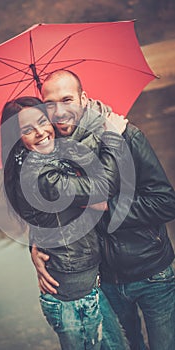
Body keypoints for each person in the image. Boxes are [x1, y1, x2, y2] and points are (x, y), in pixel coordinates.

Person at [31, 70, 175, 350]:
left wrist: (105, 209)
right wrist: (35, 247)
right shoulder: (51, 153)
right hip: (103, 281)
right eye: (50, 104)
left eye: (67, 99)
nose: (59, 112)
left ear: (83, 98)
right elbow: (49, 213)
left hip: (152, 272)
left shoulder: (125, 134)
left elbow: (165, 202)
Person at [0, 96, 130, 350]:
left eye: (42, 121)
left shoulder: (42, 161)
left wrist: (34, 247)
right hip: (74, 298)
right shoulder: (41, 175)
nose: (41, 132)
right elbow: (103, 190)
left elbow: (44, 220)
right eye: (28, 130)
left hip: (85, 287)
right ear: (17, 139)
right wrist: (112, 137)